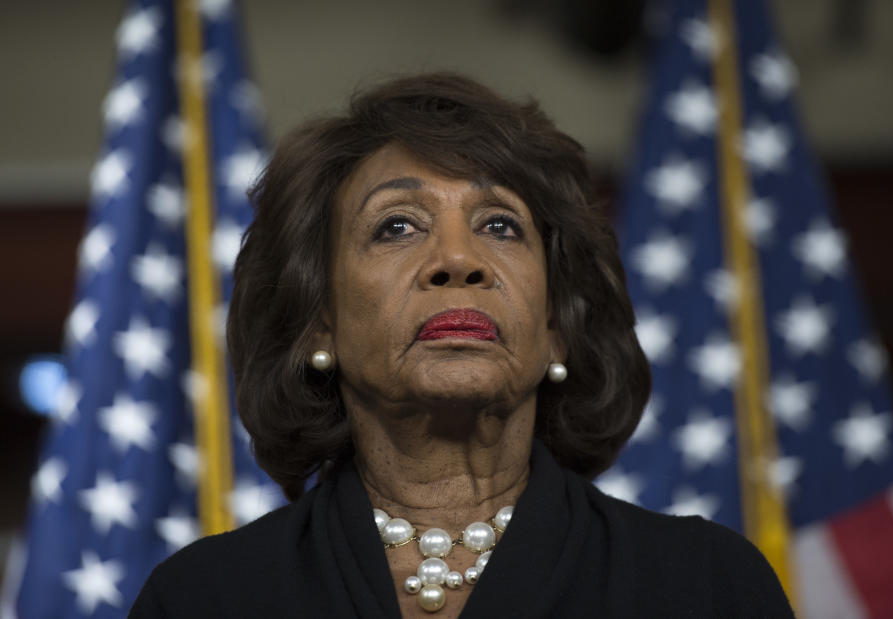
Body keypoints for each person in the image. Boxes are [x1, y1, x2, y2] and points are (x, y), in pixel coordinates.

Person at [131, 72, 793, 618]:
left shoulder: (706, 585)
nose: (456, 258)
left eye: (500, 225)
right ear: (318, 321)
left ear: (557, 325)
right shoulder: (203, 598)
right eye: (396, 226)